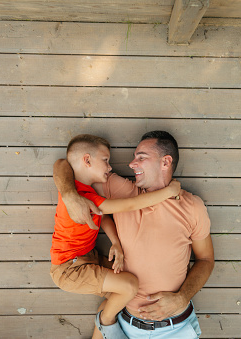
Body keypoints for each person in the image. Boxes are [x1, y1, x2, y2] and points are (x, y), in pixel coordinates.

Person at [54, 131, 214, 339]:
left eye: (141, 157)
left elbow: (206, 259)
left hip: (175, 328)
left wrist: (182, 297)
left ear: (165, 162)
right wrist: (68, 194)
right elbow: (64, 164)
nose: (131, 164)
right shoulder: (119, 191)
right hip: (124, 325)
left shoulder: (192, 206)